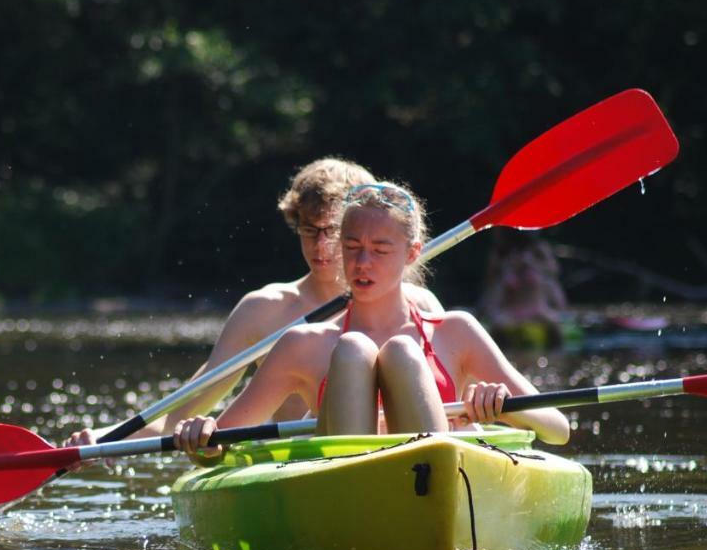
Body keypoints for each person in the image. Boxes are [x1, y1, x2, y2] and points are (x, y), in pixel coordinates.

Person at [172, 181, 570, 461]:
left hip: (435, 485)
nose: (362, 264)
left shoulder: (457, 331)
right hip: (345, 494)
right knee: (354, 349)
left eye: (380, 250)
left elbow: (557, 428)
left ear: (412, 253)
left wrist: (499, 406)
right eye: (352, 247)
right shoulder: (303, 344)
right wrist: (202, 438)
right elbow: (219, 446)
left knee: (401, 352)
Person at [65, 157, 441, 446]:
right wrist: (103, 439)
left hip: (409, 459)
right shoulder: (264, 310)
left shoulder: (421, 306)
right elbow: (176, 415)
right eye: (308, 230)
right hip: (303, 467)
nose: (321, 246)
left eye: (332, 231)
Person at [478, 232, 569, 348]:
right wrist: (509, 267)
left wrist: (531, 264)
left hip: (537, 306)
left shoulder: (538, 249)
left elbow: (553, 269)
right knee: (498, 322)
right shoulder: (501, 253)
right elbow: (491, 278)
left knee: (554, 320)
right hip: (509, 306)